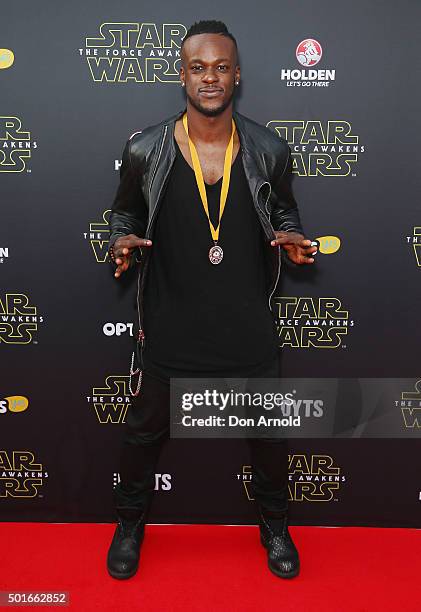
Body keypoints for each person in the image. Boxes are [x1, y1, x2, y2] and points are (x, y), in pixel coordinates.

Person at [106, 20, 316, 581]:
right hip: (170, 322)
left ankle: (275, 526)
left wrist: (291, 238)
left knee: (269, 438)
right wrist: (119, 241)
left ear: (238, 75)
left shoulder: (268, 148)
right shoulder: (145, 148)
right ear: (182, 76)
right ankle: (129, 525)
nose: (210, 78)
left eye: (221, 67)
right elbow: (125, 213)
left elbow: (284, 212)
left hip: (246, 324)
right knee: (143, 434)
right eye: (198, 67)